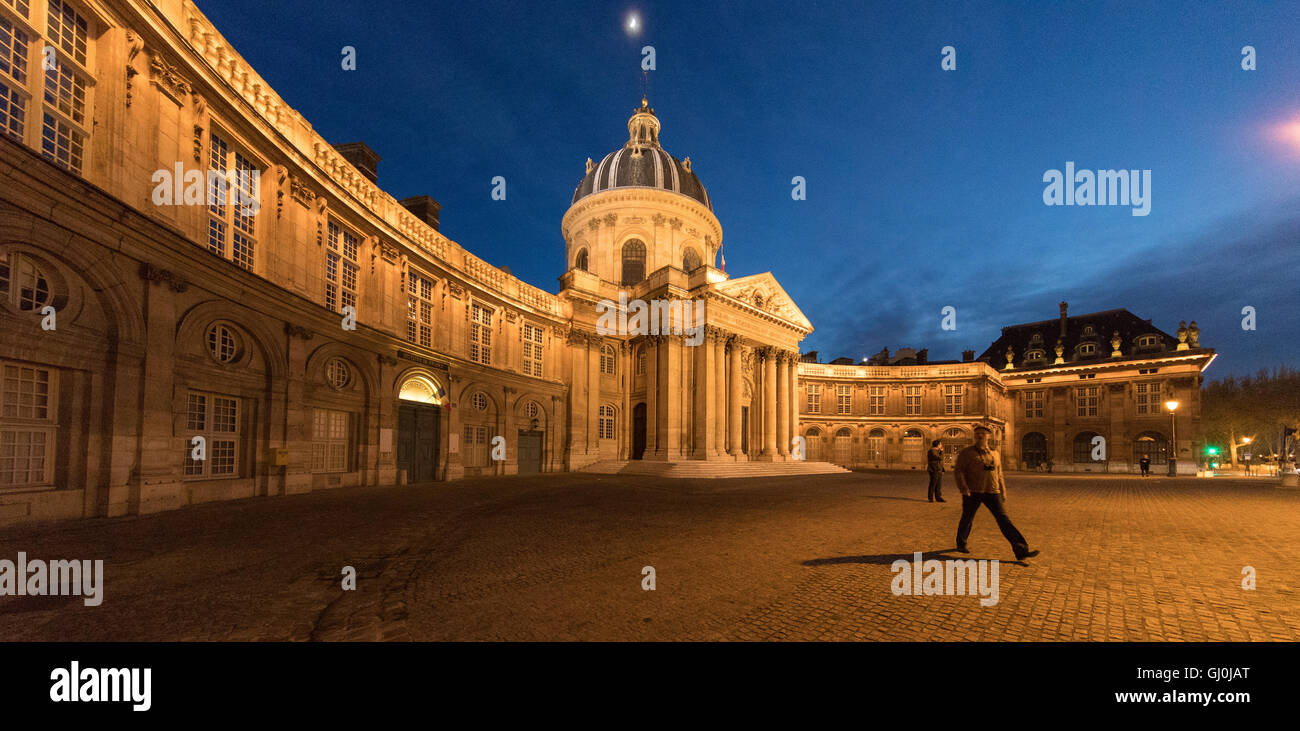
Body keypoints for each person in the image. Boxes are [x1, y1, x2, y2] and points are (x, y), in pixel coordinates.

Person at [953, 426, 1039, 562]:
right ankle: (961, 543)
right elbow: (959, 471)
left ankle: (1021, 550)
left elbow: (999, 474)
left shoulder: (995, 453)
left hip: (993, 491)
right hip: (973, 491)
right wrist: (963, 488)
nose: (980, 436)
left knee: (1004, 520)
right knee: (967, 518)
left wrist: (1003, 490)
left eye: (983, 434)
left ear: (989, 436)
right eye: (977, 434)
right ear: (974, 436)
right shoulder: (967, 453)